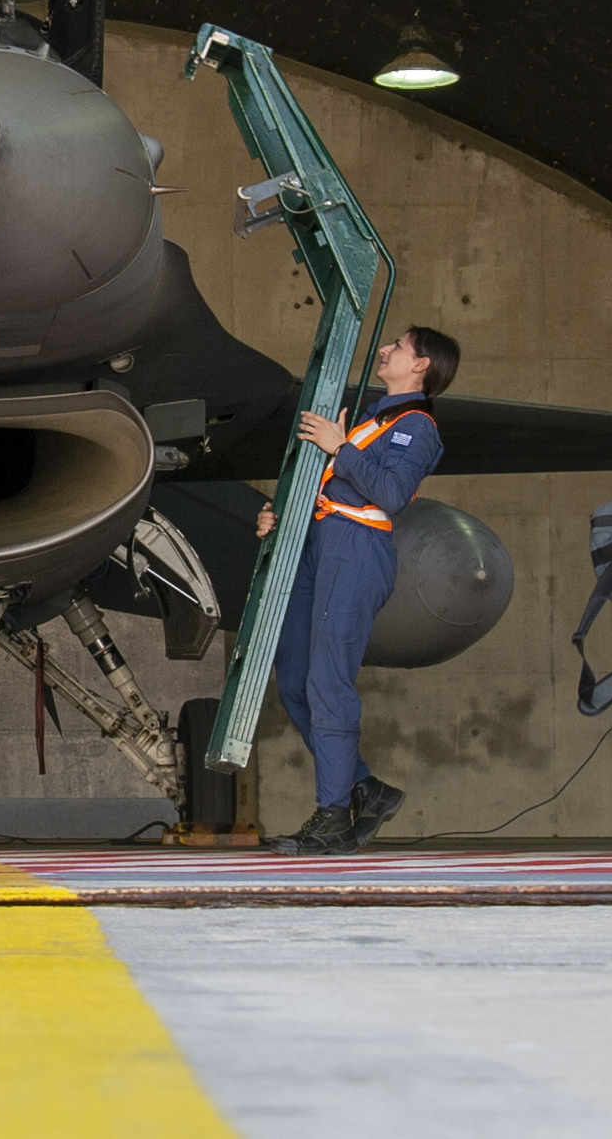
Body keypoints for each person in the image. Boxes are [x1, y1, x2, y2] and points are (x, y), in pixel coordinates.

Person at [251, 327, 454, 853]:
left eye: (399, 347)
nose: (385, 349)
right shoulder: (370, 417)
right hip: (319, 541)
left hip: (356, 548)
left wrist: (340, 448)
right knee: (295, 680)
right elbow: (335, 484)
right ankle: (365, 788)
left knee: (327, 682)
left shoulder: (416, 425)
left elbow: (391, 492)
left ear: (421, 366)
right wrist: (282, 517)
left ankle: (334, 817)